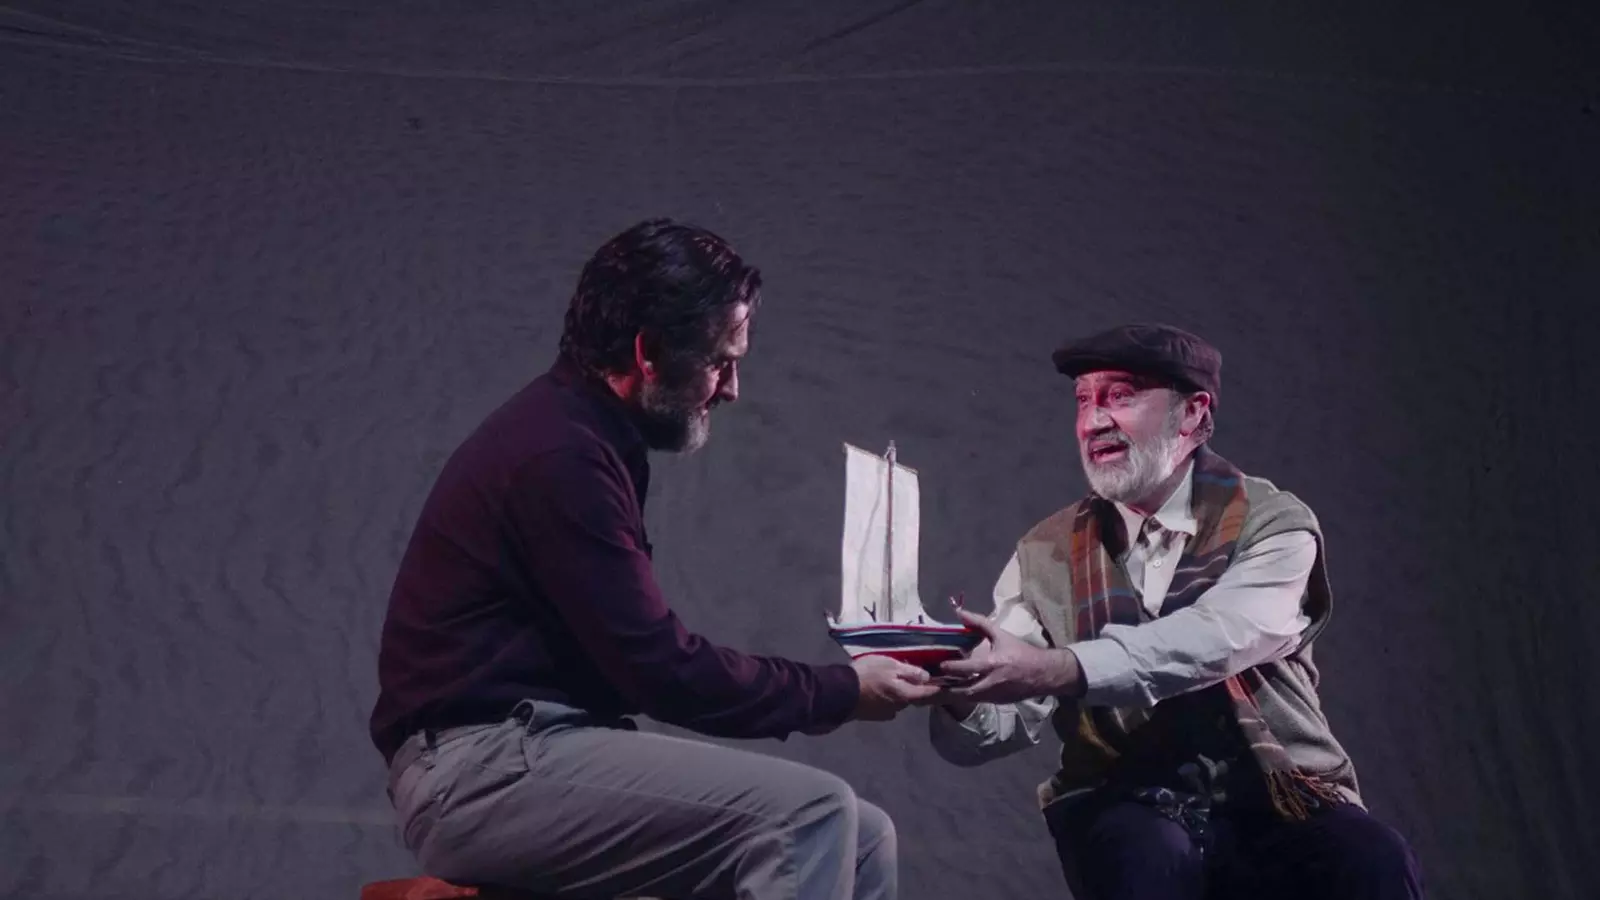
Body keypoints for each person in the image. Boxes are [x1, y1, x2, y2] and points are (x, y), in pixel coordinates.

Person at [370, 218, 939, 900]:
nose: (731, 388)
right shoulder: (560, 455)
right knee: (809, 816)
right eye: (720, 362)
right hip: (477, 773)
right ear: (648, 352)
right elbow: (662, 671)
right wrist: (842, 691)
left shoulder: (583, 440)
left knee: (865, 837)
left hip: (524, 755)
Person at [925, 323, 1423, 899]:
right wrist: (958, 684)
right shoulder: (1043, 553)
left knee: (1372, 858)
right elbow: (996, 726)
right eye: (1083, 400)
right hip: (1128, 797)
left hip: (1278, 792)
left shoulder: (1275, 525)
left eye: (1120, 395)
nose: (1093, 421)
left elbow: (1216, 638)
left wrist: (1059, 668)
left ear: (1192, 413)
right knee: (1143, 853)